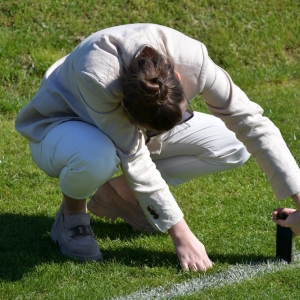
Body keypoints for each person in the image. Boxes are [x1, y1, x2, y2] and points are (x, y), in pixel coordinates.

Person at [15, 23, 300, 271]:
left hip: (130, 126)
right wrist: (182, 236)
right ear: (126, 107)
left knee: (233, 144)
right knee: (97, 155)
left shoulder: (193, 58)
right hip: (61, 127)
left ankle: (123, 196)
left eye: (184, 113)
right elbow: (135, 156)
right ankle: (72, 215)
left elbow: (251, 122)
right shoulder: (98, 77)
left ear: (177, 79)